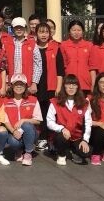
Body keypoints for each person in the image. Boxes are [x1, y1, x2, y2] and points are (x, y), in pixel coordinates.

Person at [46, 74, 91, 166]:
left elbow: (88, 123)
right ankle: (61, 155)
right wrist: (62, 129)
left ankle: (73, 151)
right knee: (61, 138)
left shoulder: (84, 103)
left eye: (74, 85)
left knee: (86, 152)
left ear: (77, 87)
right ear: (64, 86)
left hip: (76, 137)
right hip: (61, 135)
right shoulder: (55, 101)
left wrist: (85, 140)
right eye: (68, 84)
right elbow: (49, 122)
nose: (71, 87)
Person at [0, 73, 42, 166]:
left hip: (31, 133)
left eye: (21, 84)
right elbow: (5, 120)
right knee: (13, 142)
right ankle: (19, 150)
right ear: (11, 86)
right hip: (15, 132)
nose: (19, 86)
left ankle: (28, 153)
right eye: (16, 84)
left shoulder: (33, 100)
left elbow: (38, 120)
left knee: (26, 125)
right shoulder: (5, 101)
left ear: (26, 86)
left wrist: (23, 120)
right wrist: (13, 131)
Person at [34, 22, 64, 151]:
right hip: (37, 85)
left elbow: (60, 70)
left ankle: (50, 138)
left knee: (50, 113)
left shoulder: (56, 47)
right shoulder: (32, 47)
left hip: (51, 86)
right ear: (36, 33)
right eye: (41, 32)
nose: (44, 35)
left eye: (46, 32)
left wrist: (58, 87)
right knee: (39, 112)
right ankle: (41, 137)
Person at [4, 17, 42, 97]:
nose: (19, 29)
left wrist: (34, 83)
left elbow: (38, 64)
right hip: (11, 84)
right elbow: (4, 65)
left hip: (28, 84)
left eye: (21, 27)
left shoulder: (32, 43)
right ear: (12, 29)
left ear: (25, 28)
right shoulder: (6, 44)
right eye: (16, 27)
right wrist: (6, 83)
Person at [60, 21, 94, 93]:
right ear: (69, 31)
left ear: (83, 31)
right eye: (74, 30)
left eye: (79, 30)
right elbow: (62, 67)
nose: (76, 32)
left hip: (85, 84)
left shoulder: (89, 45)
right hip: (69, 83)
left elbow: (92, 67)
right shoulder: (63, 45)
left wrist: (93, 84)